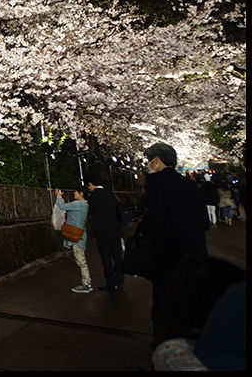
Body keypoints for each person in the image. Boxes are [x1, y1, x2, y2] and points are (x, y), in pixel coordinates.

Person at [138, 142, 209, 344]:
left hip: (167, 254)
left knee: (163, 304)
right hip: (194, 253)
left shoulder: (155, 183)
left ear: (157, 160)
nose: (147, 165)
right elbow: (204, 222)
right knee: (189, 303)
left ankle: (163, 351)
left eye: (148, 160)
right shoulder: (190, 185)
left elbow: (155, 220)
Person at [84, 177, 126, 292]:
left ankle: (111, 282)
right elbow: (121, 211)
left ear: (92, 184)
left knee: (106, 257)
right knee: (117, 256)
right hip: (115, 230)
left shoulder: (93, 196)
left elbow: (90, 213)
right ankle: (120, 281)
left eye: (89, 186)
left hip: (102, 232)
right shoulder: (111, 194)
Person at [55, 187, 92, 293]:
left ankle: (86, 284)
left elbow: (61, 206)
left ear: (81, 193)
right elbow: (67, 208)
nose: (74, 194)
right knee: (81, 259)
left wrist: (58, 196)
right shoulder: (84, 204)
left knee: (81, 261)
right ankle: (87, 283)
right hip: (80, 235)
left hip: (77, 237)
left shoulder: (78, 204)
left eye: (75, 192)